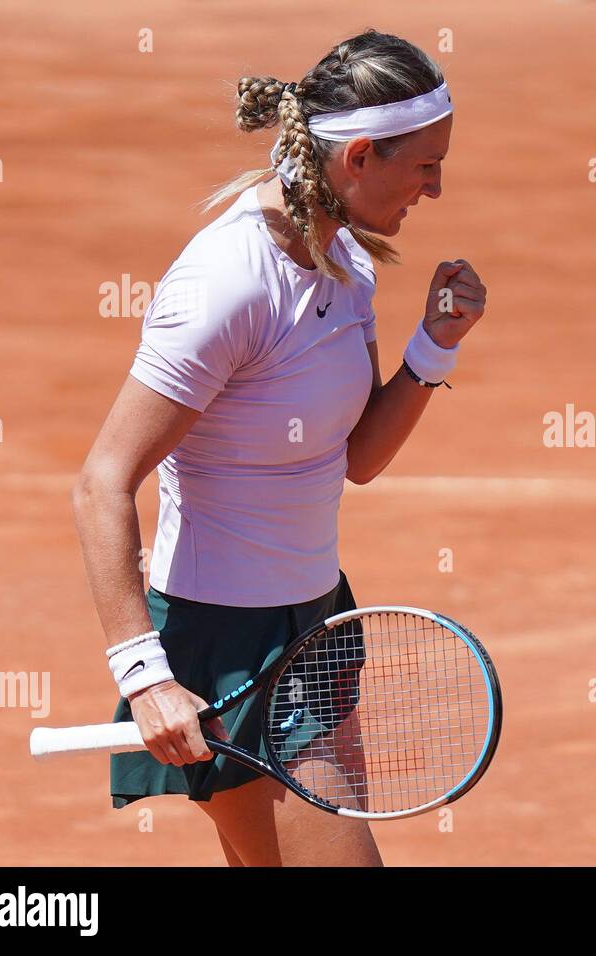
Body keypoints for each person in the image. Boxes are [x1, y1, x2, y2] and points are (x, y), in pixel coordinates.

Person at [71, 29, 487, 866]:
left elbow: (354, 459)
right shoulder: (228, 283)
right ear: (360, 156)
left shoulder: (345, 261)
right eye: (425, 165)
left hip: (316, 620)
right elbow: (102, 483)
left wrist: (434, 348)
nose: (436, 189)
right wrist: (145, 677)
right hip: (219, 639)